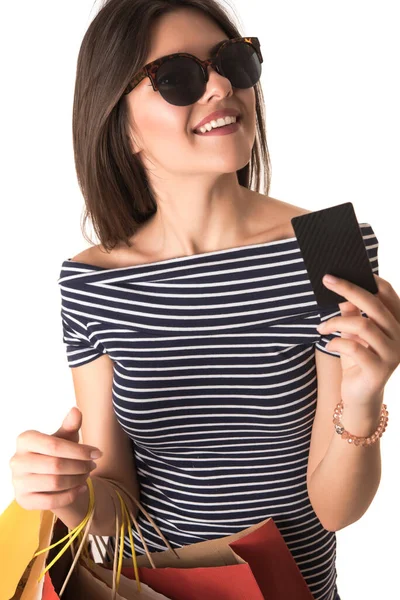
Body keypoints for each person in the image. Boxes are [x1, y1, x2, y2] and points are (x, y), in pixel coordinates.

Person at [12, 2, 393, 600]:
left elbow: (335, 512)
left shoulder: (327, 250)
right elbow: (118, 505)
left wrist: (366, 399)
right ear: (119, 122)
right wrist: (69, 493)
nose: (220, 85)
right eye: (178, 77)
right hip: (152, 589)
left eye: (233, 62)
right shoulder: (93, 282)